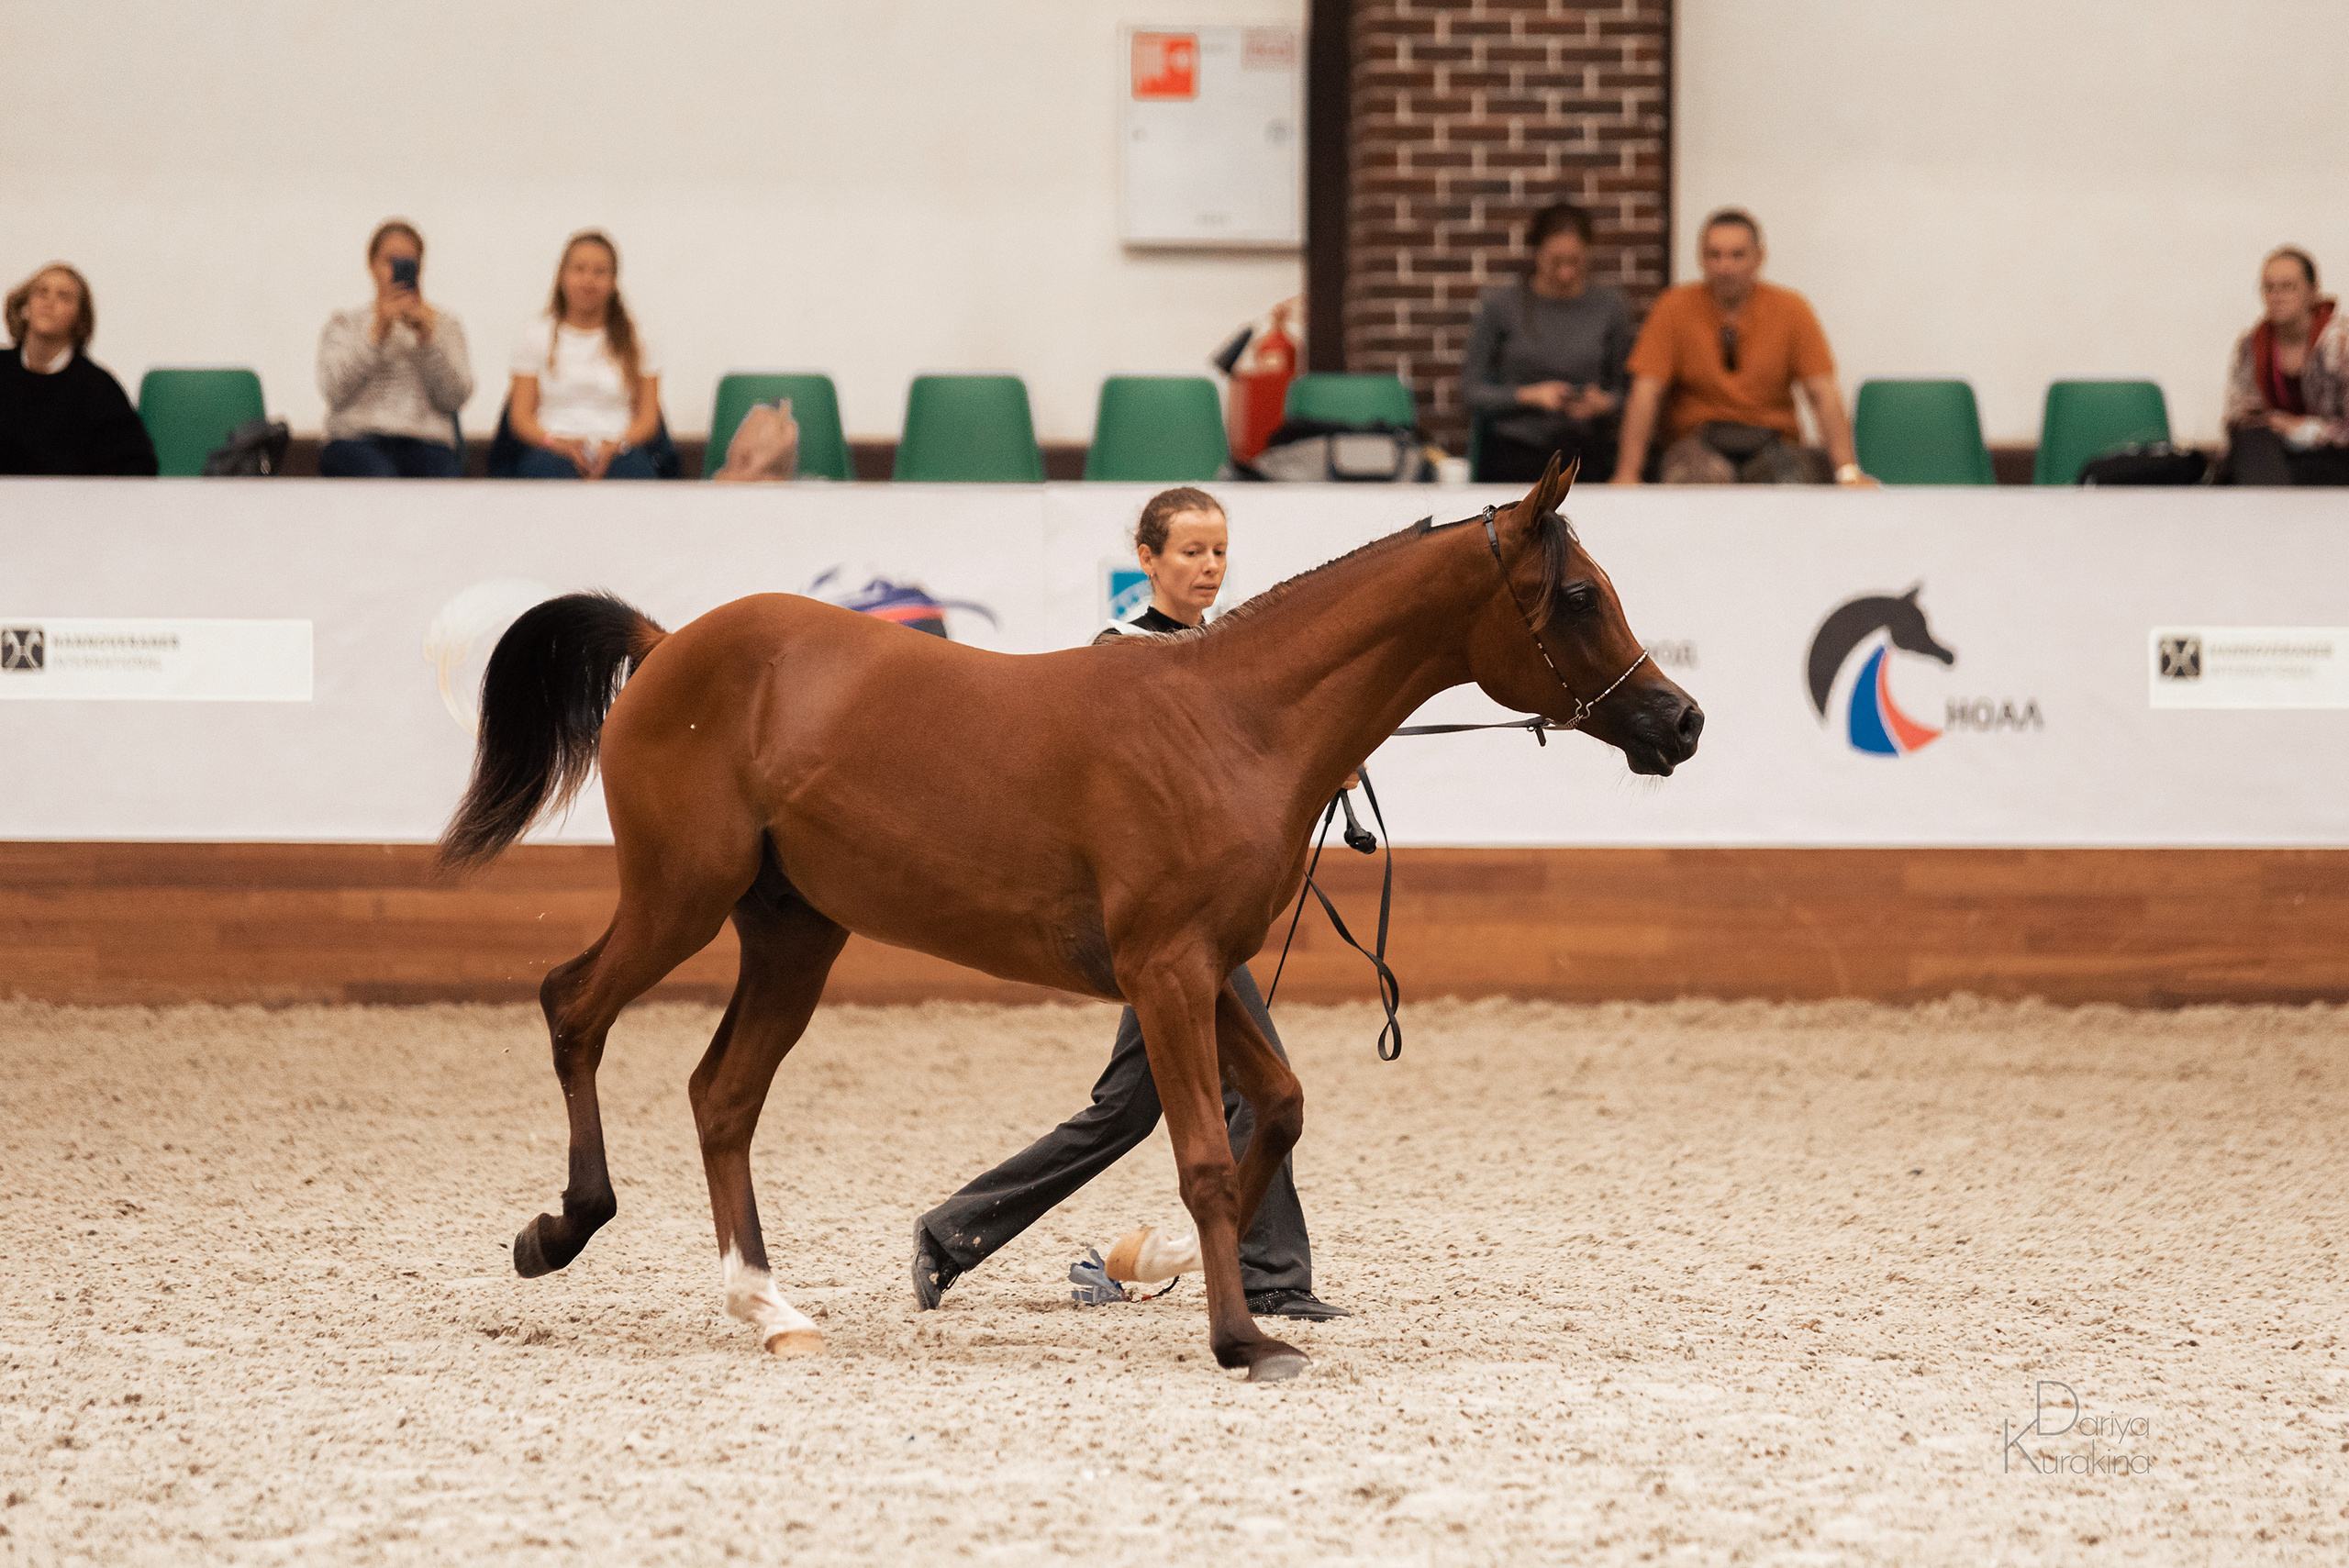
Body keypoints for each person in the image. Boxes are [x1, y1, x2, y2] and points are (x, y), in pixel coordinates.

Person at [911, 485, 1351, 1324]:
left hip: (1187, 927)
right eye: (1190, 552)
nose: (1210, 567)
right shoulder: (1123, 652)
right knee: (1259, 1085)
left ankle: (954, 1228)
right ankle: (1272, 1275)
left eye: (1219, 551)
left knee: (1124, 1110)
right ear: (1146, 560)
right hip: (1154, 920)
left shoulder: (1234, 655)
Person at [1610, 208, 1872, 487]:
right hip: (1696, 442)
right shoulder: (1673, 307)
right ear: (1701, 258)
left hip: (1774, 441)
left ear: (1759, 258)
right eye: (1715, 255)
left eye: (1737, 255)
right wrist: (1628, 473)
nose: (1725, 266)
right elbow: (1645, 393)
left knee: (1792, 486)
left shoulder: (1791, 309)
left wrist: (1848, 471)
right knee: (1696, 489)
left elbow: (1822, 393)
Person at [1461, 201, 1632, 482]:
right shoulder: (1502, 306)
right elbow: (1472, 391)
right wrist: (1531, 396)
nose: (1566, 272)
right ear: (1536, 253)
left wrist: (1602, 403)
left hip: (1583, 451)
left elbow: (1624, 391)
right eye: (1555, 262)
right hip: (1515, 448)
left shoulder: (1608, 307)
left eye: (1575, 262)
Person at [315, 220, 473, 478]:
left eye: (408, 262)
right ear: (372, 265)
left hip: (427, 443)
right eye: (390, 261)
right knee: (379, 479)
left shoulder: (444, 325)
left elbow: (455, 398)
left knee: (442, 478)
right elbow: (334, 391)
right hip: (356, 441)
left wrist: (426, 340)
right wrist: (377, 333)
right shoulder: (345, 324)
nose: (397, 270)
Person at [507, 230, 663, 480]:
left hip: (618, 448)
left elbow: (647, 420)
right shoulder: (535, 335)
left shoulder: (638, 338)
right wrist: (556, 443)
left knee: (635, 472)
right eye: (579, 269)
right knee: (543, 472)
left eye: (600, 272)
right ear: (561, 276)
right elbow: (521, 418)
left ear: (613, 282)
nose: (588, 280)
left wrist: (616, 445)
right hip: (552, 447)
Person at [0, 263, 156, 475]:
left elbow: (137, 466)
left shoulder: (99, 388)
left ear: (80, 318)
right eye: (41, 292)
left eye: (63, 296)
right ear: (25, 306)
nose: (49, 301)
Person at [2223, 247, 2349, 487]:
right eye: (2268, 287)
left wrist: (2302, 430)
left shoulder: (2341, 343)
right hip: (2275, 456)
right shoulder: (2252, 344)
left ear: (2313, 291)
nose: (2276, 296)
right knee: (2250, 444)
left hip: (2334, 456)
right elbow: (2236, 414)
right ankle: (2271, 513)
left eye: (2288, 287)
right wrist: (2266, 422)